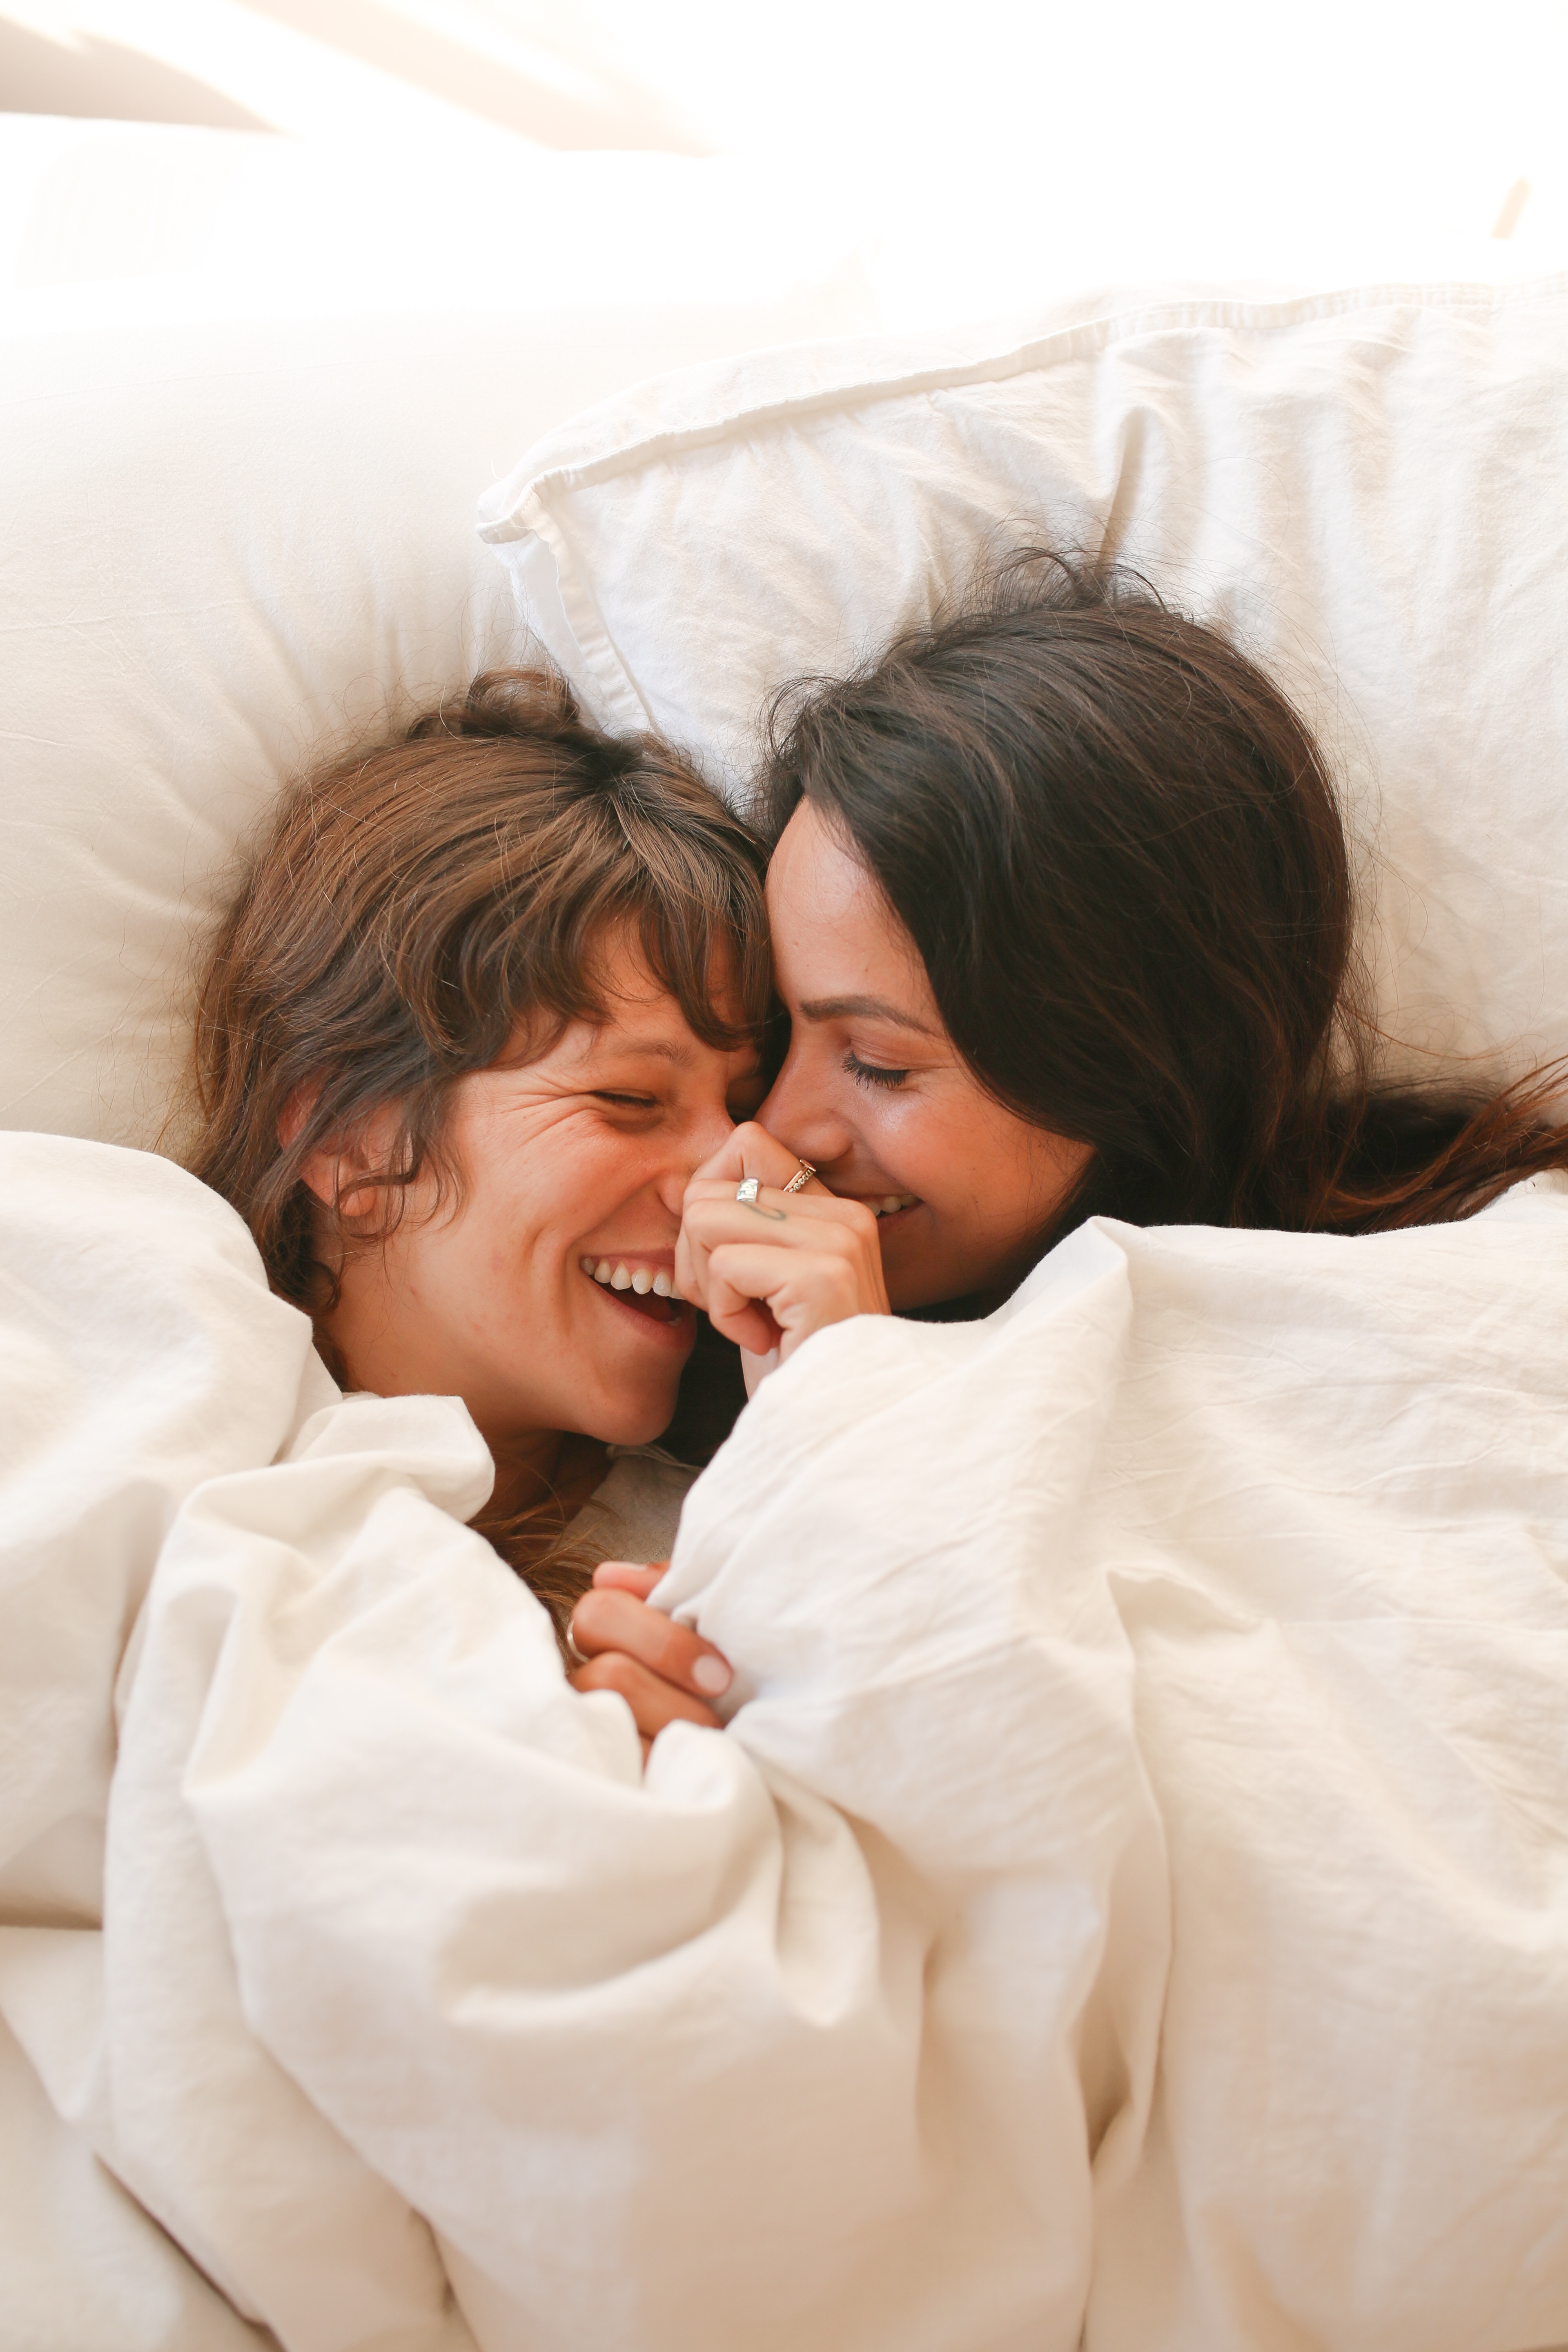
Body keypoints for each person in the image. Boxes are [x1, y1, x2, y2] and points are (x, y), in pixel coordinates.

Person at [575, 552, 1568, 1679]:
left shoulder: (1446, 1323)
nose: (778, 1128)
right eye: (777, 1031)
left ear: (1130, 1061)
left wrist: (855, 1416)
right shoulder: (685, 1399)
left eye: (881, 1065)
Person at [186, 667, 765, 1746]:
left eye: (744, 1106)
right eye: (630, 1099)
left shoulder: (717, 1578)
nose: (731, 1179)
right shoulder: (139, 1397)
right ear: (350, 1139)